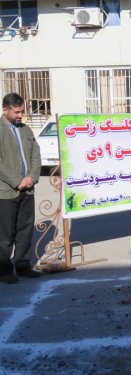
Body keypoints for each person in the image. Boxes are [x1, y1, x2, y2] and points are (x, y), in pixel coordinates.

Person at [0, 93, 42, 284]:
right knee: (5, 234)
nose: (20, 115)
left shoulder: (26, 131)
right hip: (6, 192)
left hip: (28, 189)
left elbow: (36, 155)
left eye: (22, 111)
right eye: (17, 112)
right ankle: (4, 270)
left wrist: (32, 177)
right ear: (5, 110)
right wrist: (18, 181)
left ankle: (23, 265)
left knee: (25, 229)